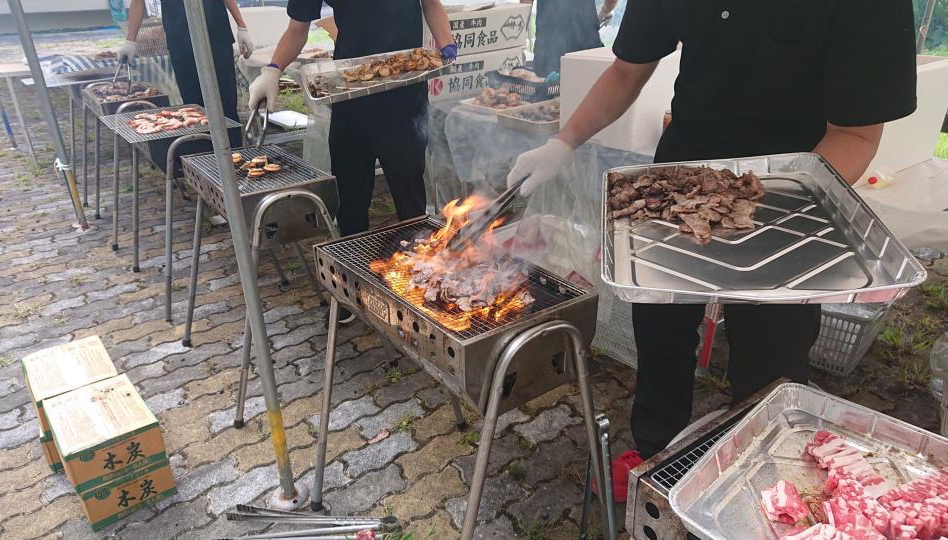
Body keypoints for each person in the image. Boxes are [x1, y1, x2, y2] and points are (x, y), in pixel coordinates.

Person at [508, 0, 916, 460]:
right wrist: (563, 142)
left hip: (791, 200)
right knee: (660, 335)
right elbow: (627, 70)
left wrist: (763, 210)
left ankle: (759, 470)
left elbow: (856, 135)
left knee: (771, 363)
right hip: (679, 179)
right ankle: (656, 456)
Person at [247, 1, 456, 324]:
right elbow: (297, 29)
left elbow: (431, 4)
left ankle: (422, 286)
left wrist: (447, 45)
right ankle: (349, 286)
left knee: (410, 200)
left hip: (404, 99)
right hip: (349, 97)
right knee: (350, 201)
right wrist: (272, 69)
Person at [120, 0, 253, 122]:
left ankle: (233, 146)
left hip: (217, 36)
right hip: (181, 42)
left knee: (226, 102)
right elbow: (138, 1)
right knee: (194, 107)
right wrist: (131, 40)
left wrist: (241, 26)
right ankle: (203, 146)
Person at [522, 0, 619, 76]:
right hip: (586, 49)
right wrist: (605, 12)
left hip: (547, 51)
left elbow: (525, 5)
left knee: (546, 95)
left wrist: (519, 42)